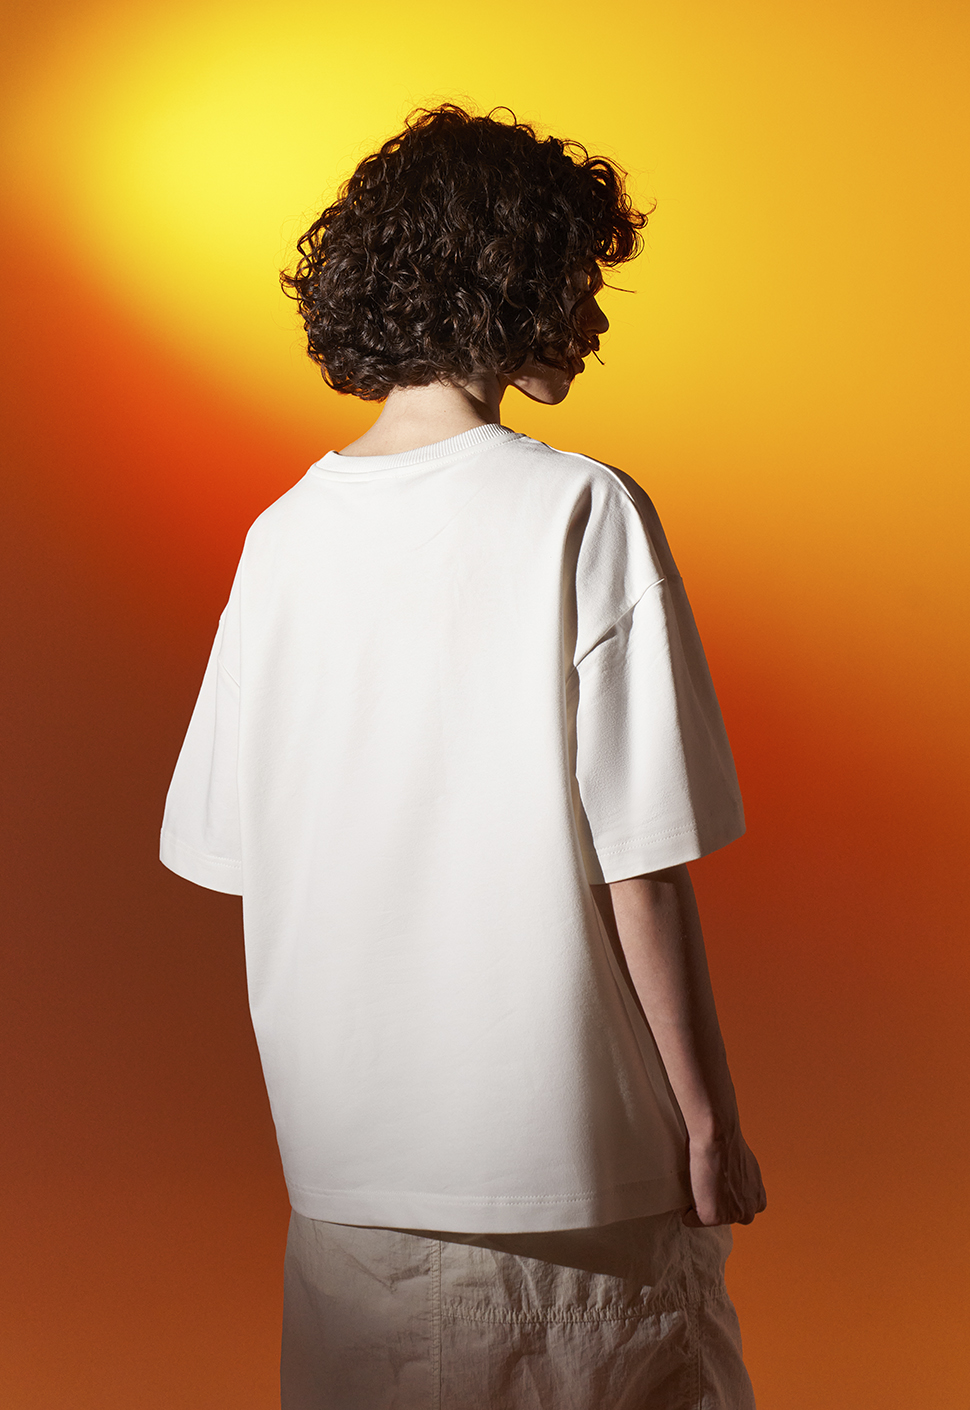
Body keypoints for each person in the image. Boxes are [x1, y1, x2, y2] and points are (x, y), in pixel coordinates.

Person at [160, 102, 766, 1408]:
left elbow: (231, 853)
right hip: (577, 1193)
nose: (590, 318)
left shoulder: (281, 538)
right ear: (509, 277)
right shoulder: (578, 508)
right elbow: (642, 867)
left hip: (346, 1200)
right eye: (577, 279)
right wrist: (710, 1126)